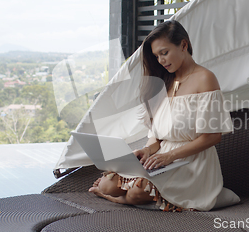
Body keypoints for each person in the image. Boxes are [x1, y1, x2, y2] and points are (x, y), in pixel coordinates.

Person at [89, 20, 233, 211]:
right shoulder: (164, 81)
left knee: (136, 192)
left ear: (183, 45)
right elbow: (157, 137)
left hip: (192, 163)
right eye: (157, 56)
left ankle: (117, 200)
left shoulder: (205, 78)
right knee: (109, 184)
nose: (160, 61)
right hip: (161, 159)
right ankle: (114, 194)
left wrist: (169, 156)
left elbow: (213, 136)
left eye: (164, 53)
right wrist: (147, 151)